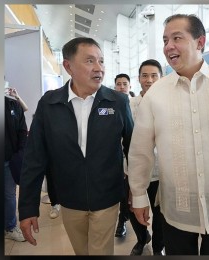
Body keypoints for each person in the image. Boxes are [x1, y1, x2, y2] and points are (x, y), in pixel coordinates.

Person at [128, 14, 209, 255]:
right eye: (165, 39)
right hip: (177, 207)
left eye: (177, 38)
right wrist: (138, 194)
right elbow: (140, 151)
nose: (168, 46)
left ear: (200, 42)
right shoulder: (156, 94)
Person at [18, 37, 134, 255]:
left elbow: (133, 150)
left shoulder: (117, 102)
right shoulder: (50, 104)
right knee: (81, 251)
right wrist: (27, 208)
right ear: (68, 66)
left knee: (100, 251)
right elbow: (34, 158)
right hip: (69, 199)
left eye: (101, 61)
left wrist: (136, 193)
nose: (99, 68)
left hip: (107, 198)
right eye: (90, 61)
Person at [127, 59, 165, 255]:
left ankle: (158, 247)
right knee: (134, 210)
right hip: (136, 170)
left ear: (161, 77)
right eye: (145, 75)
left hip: (162, 171)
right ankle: (142, 238)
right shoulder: (129, 104)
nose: (149, 80)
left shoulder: (168, 103)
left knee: (161, 215)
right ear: (139, 78)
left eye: (154, 75)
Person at [5, 96, 27, 242]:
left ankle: (10, 227)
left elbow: (22, 131)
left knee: (9, 195)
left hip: (8, 160)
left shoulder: (13, 105)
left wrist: (19, 154)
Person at [113, 73, 132, 238]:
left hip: (139, 157)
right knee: (124, 194)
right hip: (120, 159)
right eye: (118, 84)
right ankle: (122, 221)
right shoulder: (111, 107)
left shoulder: (138, 104)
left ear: (130, 86)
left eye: (124, 84)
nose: (121, 87)